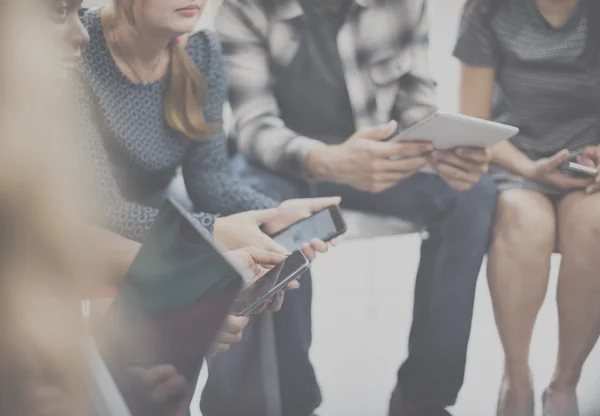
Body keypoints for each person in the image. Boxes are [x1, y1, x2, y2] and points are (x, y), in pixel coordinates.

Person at [216, 0, 498, 415]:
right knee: (265, 210)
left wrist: (439, 148)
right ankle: (292, 401)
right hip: (281, 165)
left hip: (374, 159)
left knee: (473, 194)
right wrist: (328, 160)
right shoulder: (244, 8)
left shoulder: (403, 5)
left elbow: (417, 99)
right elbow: (253, 125)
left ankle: (424, 394)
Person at [454, 0, 600, 415]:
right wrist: (530, 168)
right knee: (525, 222)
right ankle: (516, 378)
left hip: (587, 168)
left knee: (595, 223)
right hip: (514, 160)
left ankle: (564, 383)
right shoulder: (488, 10)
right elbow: (475, 123)